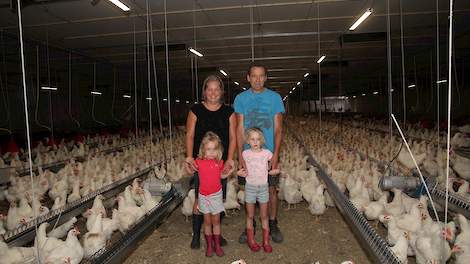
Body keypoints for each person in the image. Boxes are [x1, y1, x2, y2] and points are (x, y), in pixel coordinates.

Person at [234, 63, 285, 243]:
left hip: (267, 153)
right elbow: (239, 129)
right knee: (249, 190)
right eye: (254, 76)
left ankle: (272, 223)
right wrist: (240, 155)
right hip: (248, 154)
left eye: (261, 76)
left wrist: (276, 154)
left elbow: (278, 129)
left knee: (270, 189)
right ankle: (251, 224)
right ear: (248, 78)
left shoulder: (275, 98)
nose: (257, 79)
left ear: (265, 78)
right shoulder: (240, 98)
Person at [185, 75, 237, 249]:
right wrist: (189, 157)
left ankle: (216, 234)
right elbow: (190, 135)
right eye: (210, 89)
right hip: (201, 164)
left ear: (221, 92)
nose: (213, 93)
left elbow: (233, 137)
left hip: (220, 164)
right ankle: (196, 234)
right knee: (199, 199)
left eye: (217, 89)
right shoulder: (195, 111)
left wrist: (229, 158)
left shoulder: (229, 112)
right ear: (205, 91)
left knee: (218, 199)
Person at [237, 127, 279, 253]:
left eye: (258, 139)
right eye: (252, 139)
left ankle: (266, 241)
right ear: (248, 141)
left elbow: (275, 164)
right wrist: (240, 173)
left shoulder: (267, 153)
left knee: (264, 216)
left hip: (263, 188)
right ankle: (251, 240)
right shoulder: (245, 154)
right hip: (250, 188)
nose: (255, 142)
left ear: (262, 141)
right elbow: (242, 169)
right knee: (250, 215)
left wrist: (275, 170)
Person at [191, 131, 232, 257]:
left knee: (216, 222)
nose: (211, 152)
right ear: (203, 149)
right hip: (203, 196)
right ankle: (209, 246)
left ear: (218, 150)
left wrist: (227, 174)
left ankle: (217, 245)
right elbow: (190, 168)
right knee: (207, 222)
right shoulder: (198, 162)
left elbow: (220, 176)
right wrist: (188, 163)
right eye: (208, 149)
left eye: (214, 149)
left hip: (216, 196)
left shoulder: (219, 162)